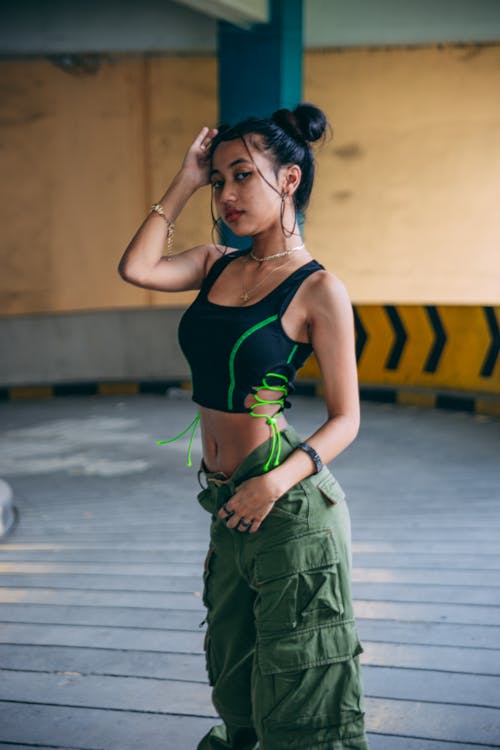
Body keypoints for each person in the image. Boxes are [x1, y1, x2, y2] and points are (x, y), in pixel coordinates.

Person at [118, 102, 369, 750]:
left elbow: (347, 419)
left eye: (242, 176)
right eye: (218, 179)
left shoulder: (318, 289)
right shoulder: (214, 265)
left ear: (288, 179)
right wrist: (183, 181)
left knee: (301, 693)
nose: (226, 194)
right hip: (227, 504)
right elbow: (138, 268)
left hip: (287, 508)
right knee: (234, 677)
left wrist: (274, 484)